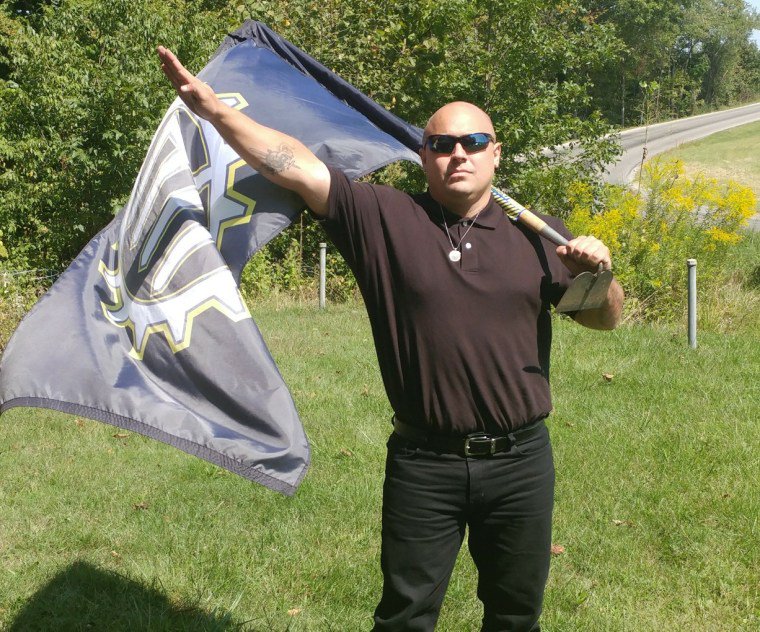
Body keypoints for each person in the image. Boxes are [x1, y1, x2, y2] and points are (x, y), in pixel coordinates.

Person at [158, 45, 624, 631]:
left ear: (495, 153)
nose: (459, 154)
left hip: (520, 463)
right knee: (405, 617)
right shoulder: (383, 218)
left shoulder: (540, 237)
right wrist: (215, 111)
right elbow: (293, 164)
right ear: (423, 155)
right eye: (442, 144)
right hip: (424, 464)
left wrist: (600, 276)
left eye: (474, 142)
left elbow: (606, 319)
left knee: (516, 615)